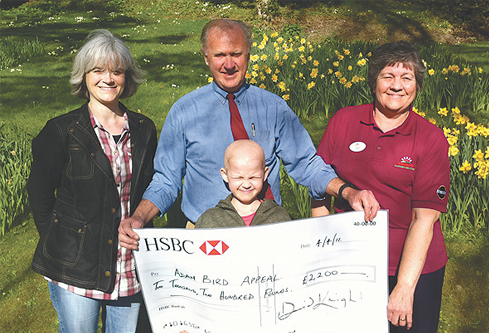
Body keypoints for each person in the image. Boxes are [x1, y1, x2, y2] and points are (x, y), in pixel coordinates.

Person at [118, 18, 379, 252]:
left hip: (269, 234)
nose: (229, 64)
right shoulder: (185, 112)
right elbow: (167, 179)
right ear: (206, 57)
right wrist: (139, 217)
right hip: (207, 240)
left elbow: (307, 165)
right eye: (220, 55)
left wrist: (348, 193)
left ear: (249, 54)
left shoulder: (274, 108)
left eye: (236, 54)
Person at [312, 41, 450, 333]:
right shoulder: (344, 121)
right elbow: (318, 189)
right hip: (349, 261)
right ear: (374, 81)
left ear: (417, 86)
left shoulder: (429, 138)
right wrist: (322, 261)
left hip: (410, 267)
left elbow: (424, 220)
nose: (396, 86)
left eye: (406, 78)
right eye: (388, 76)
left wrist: (403, 286)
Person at [27, 29, 157, 333]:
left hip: (127, 262)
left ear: (127, 76)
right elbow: (39, 194)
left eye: (116, 70)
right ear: (84, 75)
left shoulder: (143, 129)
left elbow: (152, 185)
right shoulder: (61, 131)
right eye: (98, 70)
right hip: (74, 265)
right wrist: (59, 241)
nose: (108, 79)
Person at [173, 140, 291, 333]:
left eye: (254, 177)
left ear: (265, 173)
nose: (246, 183)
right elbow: (193, 274)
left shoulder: (279, 218)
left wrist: (309, 320)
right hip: (219, 328)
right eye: (238, 177)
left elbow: (293, 271)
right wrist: (188, 319)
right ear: (225, 175)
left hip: (268, 327)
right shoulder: (210, 220)